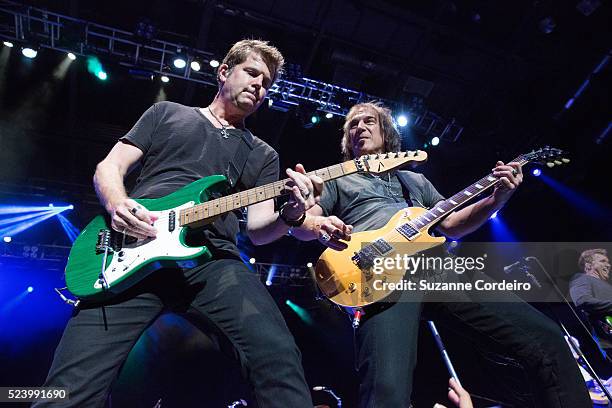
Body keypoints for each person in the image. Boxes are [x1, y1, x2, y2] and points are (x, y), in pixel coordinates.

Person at [35, 40, 321, 408]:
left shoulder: (263, 154)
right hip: (132, 248)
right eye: (252, 73)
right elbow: (110, 166)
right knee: (68, 388)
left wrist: (293, 213)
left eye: (267, 83)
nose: (259, 86)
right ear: (223, 72)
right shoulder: (166, 113)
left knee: (277, 355)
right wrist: (118, 203)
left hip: (214, 260)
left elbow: (259, 230)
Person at [291, 102, 592, 407]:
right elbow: (305, 224)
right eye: (353, 125)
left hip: (436, 266)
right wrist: (317, 226)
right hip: (378, 277)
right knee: (386, 392)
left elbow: (453, 226)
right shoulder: (338, 181)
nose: (360, 128)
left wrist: (498, 197)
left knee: (546, 339)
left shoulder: (415, 182)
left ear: (387, 133)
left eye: (369, 121)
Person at [570, 249, 612, 343]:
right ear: (588, 266)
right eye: (602, 261)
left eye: (608, 262)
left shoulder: (606, 285)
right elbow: (583, 301)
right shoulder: (581, 279)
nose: (608, 265)